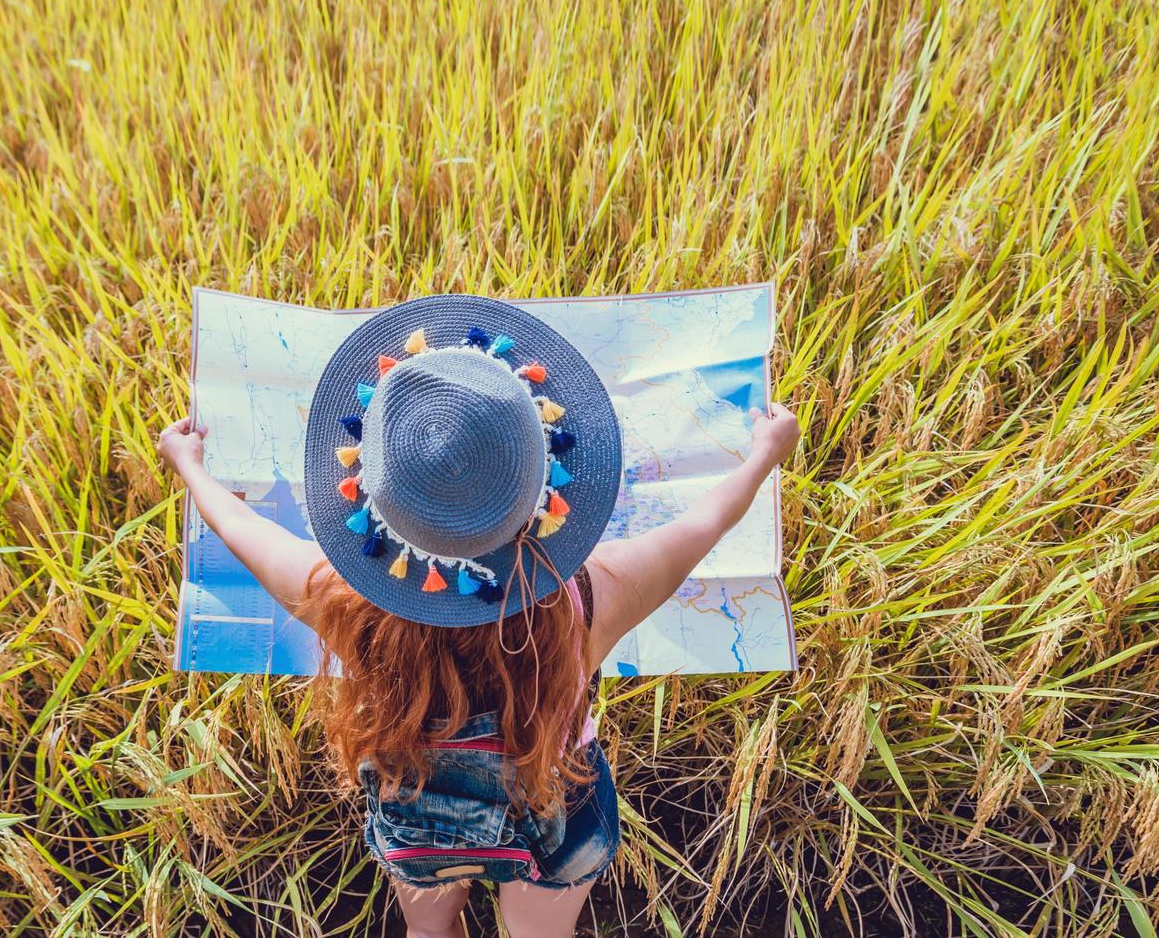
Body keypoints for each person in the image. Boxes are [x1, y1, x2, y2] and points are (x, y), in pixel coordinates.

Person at [157, 294, 800, 938]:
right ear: (543, 485)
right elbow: (704, 522)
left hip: (416, 815)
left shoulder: (346, 605)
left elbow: (242, 529)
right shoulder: (593, 596)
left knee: (429, 933)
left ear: (375, 492)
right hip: (558, 807)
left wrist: (191, 468)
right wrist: (762, 456)